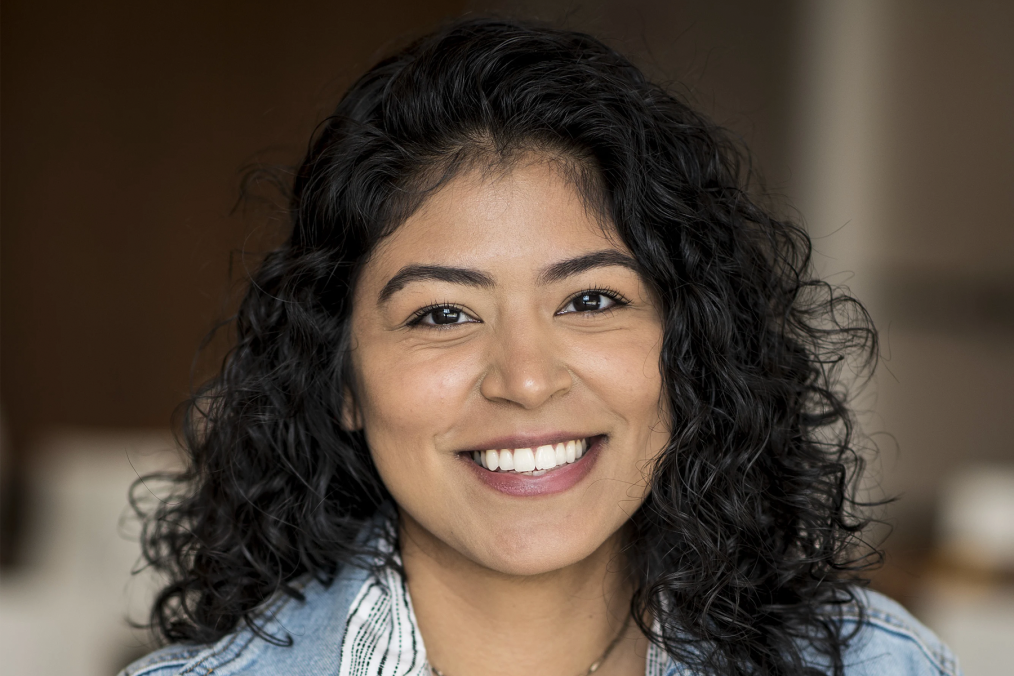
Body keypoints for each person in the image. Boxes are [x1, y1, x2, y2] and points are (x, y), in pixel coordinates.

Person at [122, 17, 961, 676]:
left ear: (689, 347)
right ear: (340, 378)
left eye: (591, 300)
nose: (525, 379)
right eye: (442, 315)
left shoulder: (882, 666)